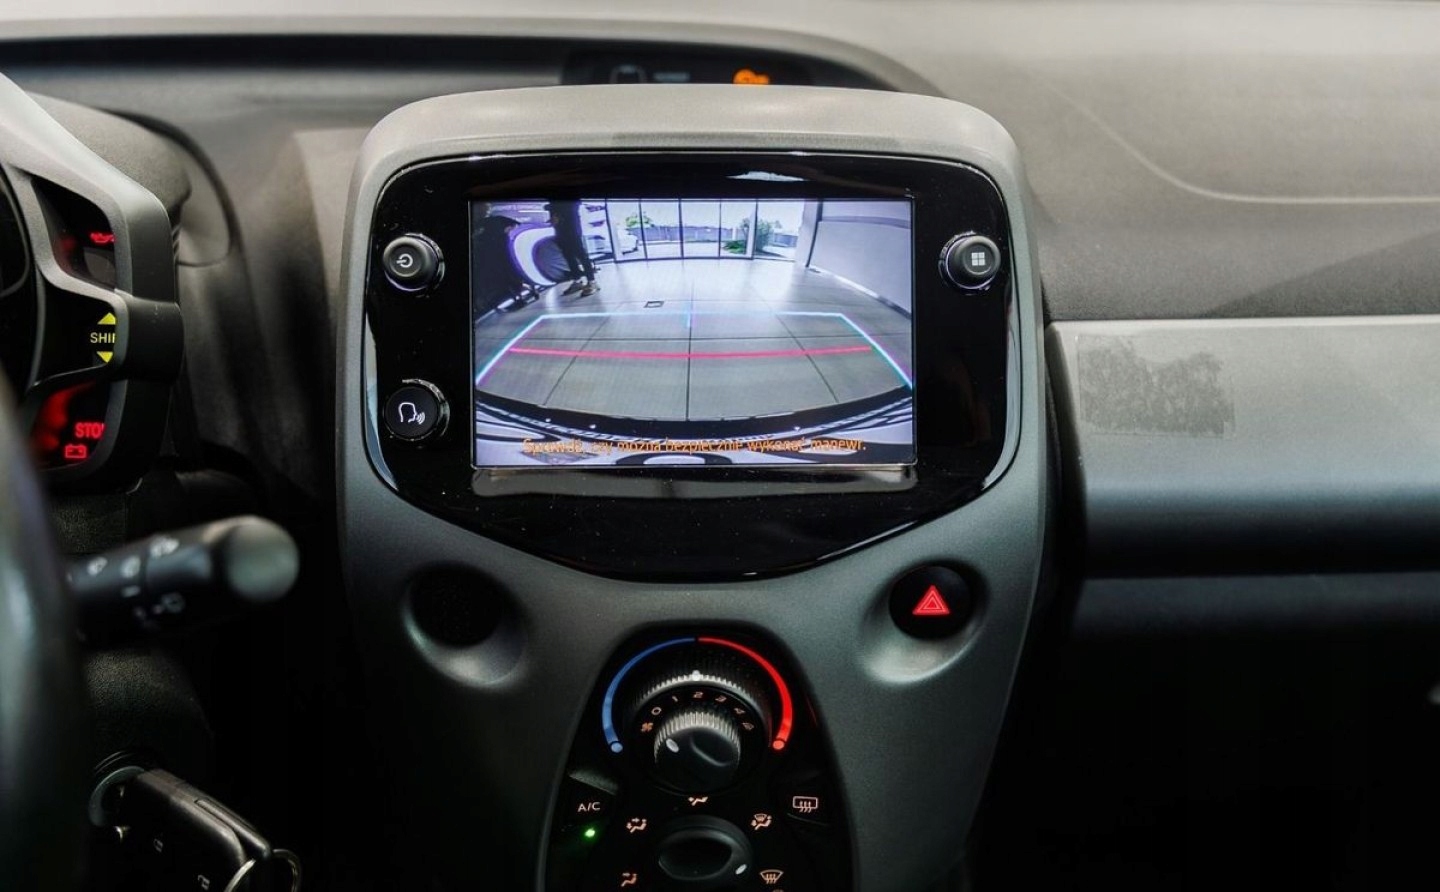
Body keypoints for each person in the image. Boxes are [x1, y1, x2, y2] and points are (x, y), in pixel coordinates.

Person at [472, 203, 538, 314]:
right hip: (486, 257)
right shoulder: (476, 225)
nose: (484, 211)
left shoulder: (496, 220)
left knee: (509, 276)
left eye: (485, 208)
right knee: (497, 278)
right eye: (481, 209)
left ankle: (519, 295)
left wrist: (509, 230)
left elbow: (516, 225)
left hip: (502, 255)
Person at [545, 200, 599, 297]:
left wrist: (552, 209)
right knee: (568, 256)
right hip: (560, 228)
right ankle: (577, 281)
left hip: (571, 228)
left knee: (581, 255)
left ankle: (592, 282)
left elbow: (573, 205)